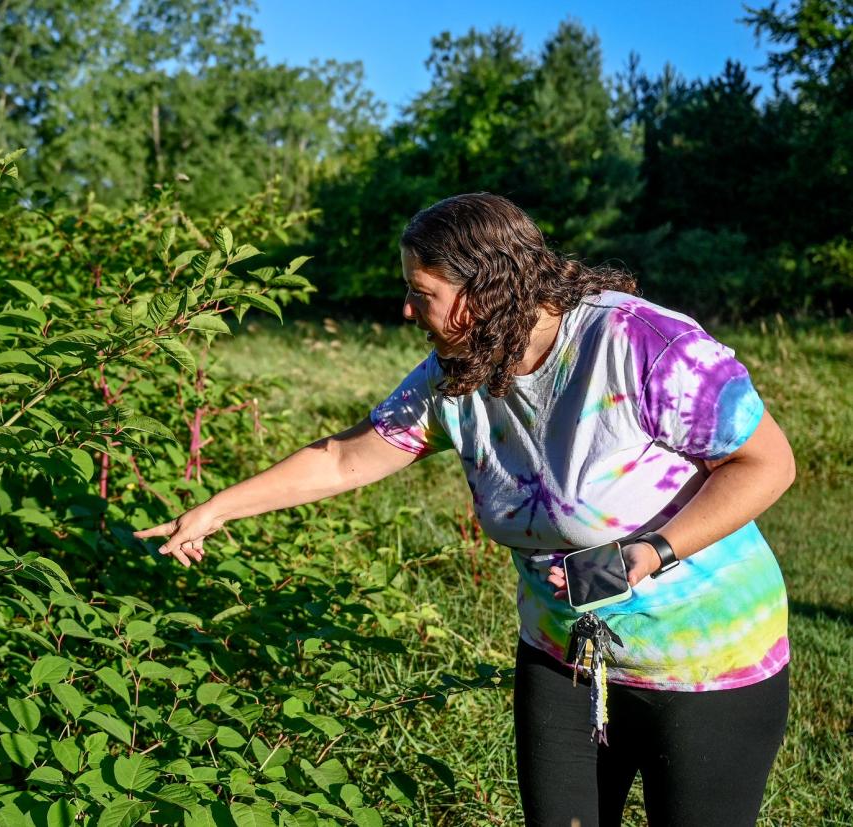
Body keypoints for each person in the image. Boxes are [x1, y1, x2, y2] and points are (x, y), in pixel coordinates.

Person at [135, 193, 793, 827]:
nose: (406, 308)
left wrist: (653, 550)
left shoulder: (639, 343)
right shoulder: (456, 374)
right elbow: (346, 458)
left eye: (422, 293)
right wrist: (217, 508)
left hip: (707, 660)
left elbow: (767, 462)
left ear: (484, 291)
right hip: (563, 655)